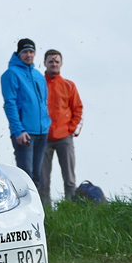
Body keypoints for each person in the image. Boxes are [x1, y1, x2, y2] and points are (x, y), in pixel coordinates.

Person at [1, 38, 50, 188]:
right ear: (19, 53)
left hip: (42, 132)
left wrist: (47, 123)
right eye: (25, 52)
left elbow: (44, 102)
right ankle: (22, 209)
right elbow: (10, 104)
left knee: (38, 177)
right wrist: (18, 130)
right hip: (25, 133)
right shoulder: (11, 74)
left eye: (31, 51)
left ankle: (41, 210)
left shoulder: (38, 75)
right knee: (25, 177)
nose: (29, 55)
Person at [40, 49, 83, 205]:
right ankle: (46, 213)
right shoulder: (38, 83)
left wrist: (71, 130)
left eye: (57, 61)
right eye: (51, 61)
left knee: (69, 178)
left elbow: (78, 108)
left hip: (64, 137)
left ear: (61, 64)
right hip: (43, 137)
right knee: (43, 180)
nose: (54, 64)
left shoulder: (69, 85)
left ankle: (70, 209)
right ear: (45, 63)